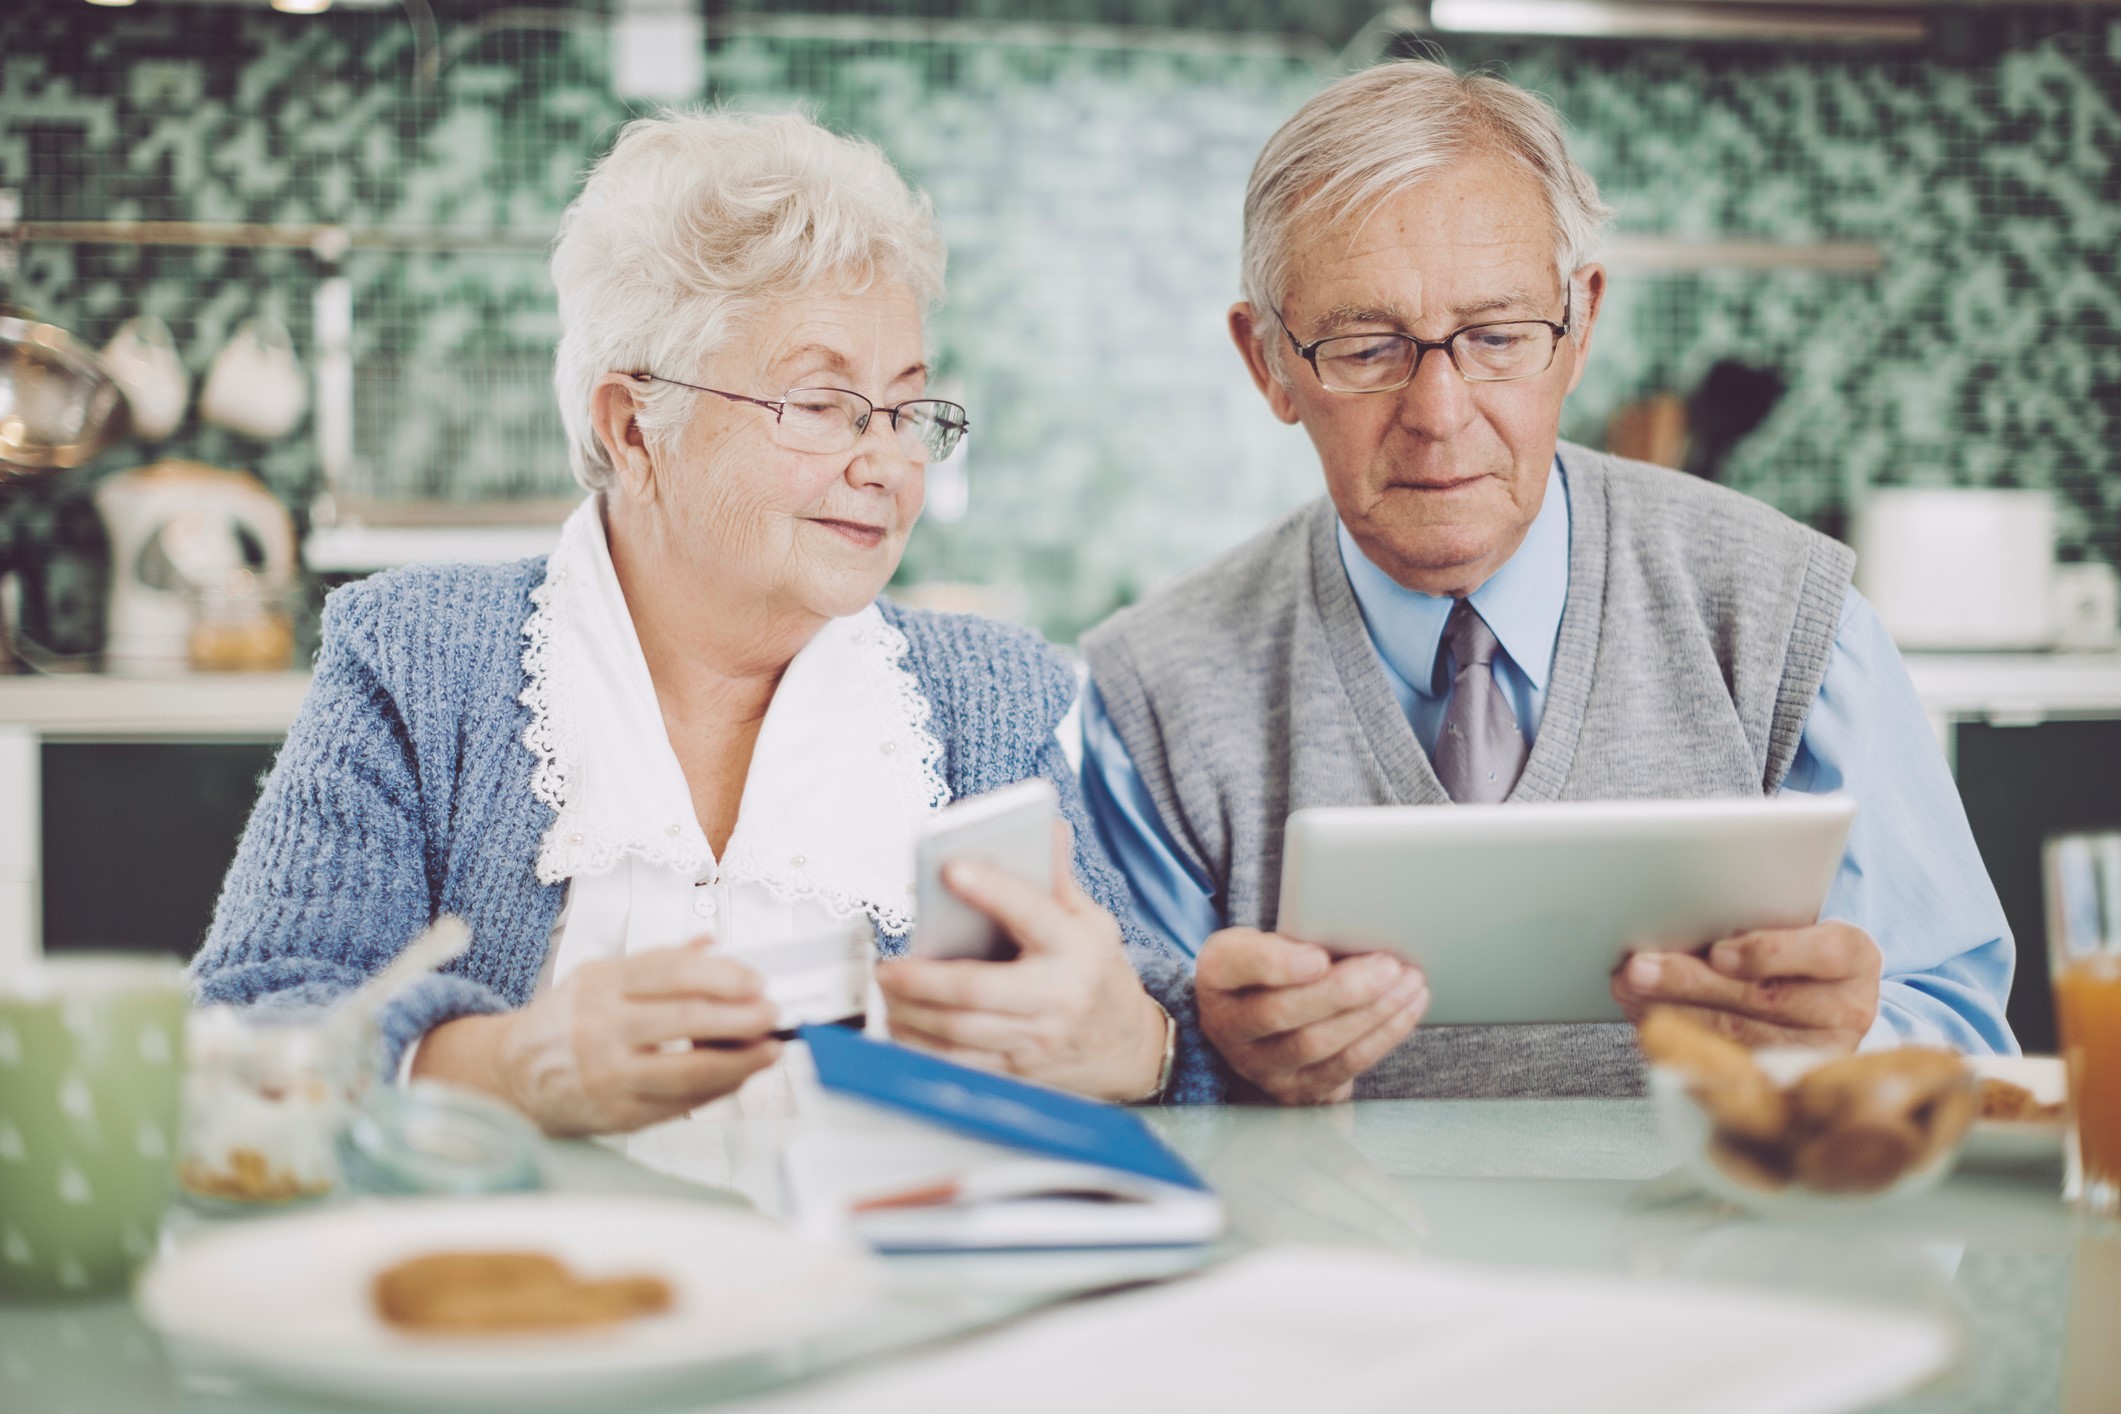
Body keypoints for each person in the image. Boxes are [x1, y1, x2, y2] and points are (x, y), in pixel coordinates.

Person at [193, 111, 1212, 1152]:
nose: (889, 463)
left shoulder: (991, 693)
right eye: (822, 405)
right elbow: (242, 1028)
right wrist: (510, 1068)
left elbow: (1173, 1028)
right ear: (634, 429)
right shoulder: (415, 657)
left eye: (905, 409)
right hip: (528, 1295)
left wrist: (1141, 1046)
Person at [1078, 60, 2016, 1105]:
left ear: (1580, 328)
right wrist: (1211, 1062)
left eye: (1497, 337)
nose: (1439, 411)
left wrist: (1848, 1046)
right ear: (1269, 365)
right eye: (1367, 345)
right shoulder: (1147, 694)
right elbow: (1123, 1083)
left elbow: (1971, 1037)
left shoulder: (1788, 620)